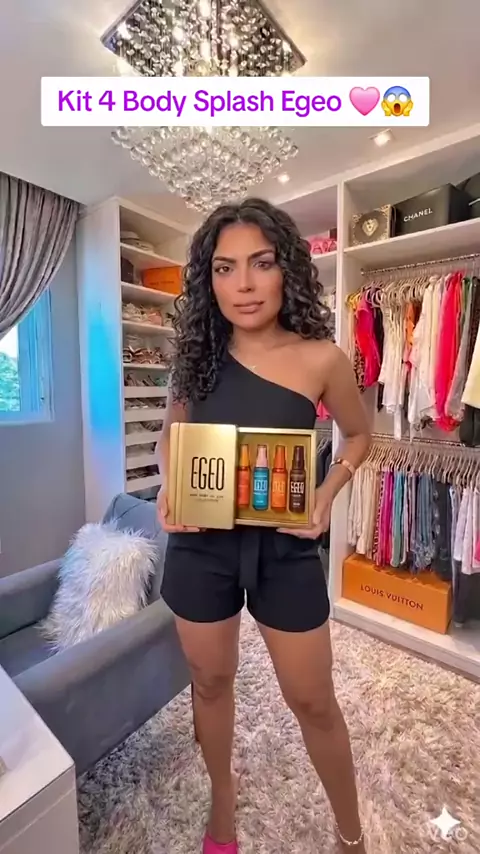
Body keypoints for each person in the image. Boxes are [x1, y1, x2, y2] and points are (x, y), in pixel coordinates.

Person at [157, 198, 371, 853]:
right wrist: (169, 482)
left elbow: (360, 436)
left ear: (288, 271)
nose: (244, 285)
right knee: (210, 683)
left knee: (313, 700)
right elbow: (171, 436)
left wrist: (327, 493)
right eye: (225, 268)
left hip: (285, 550)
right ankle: (223, 803)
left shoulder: (322, 359)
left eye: (262, 263)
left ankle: (352, 834)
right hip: (200, 550)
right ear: (209, 279)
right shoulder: (194, 355)